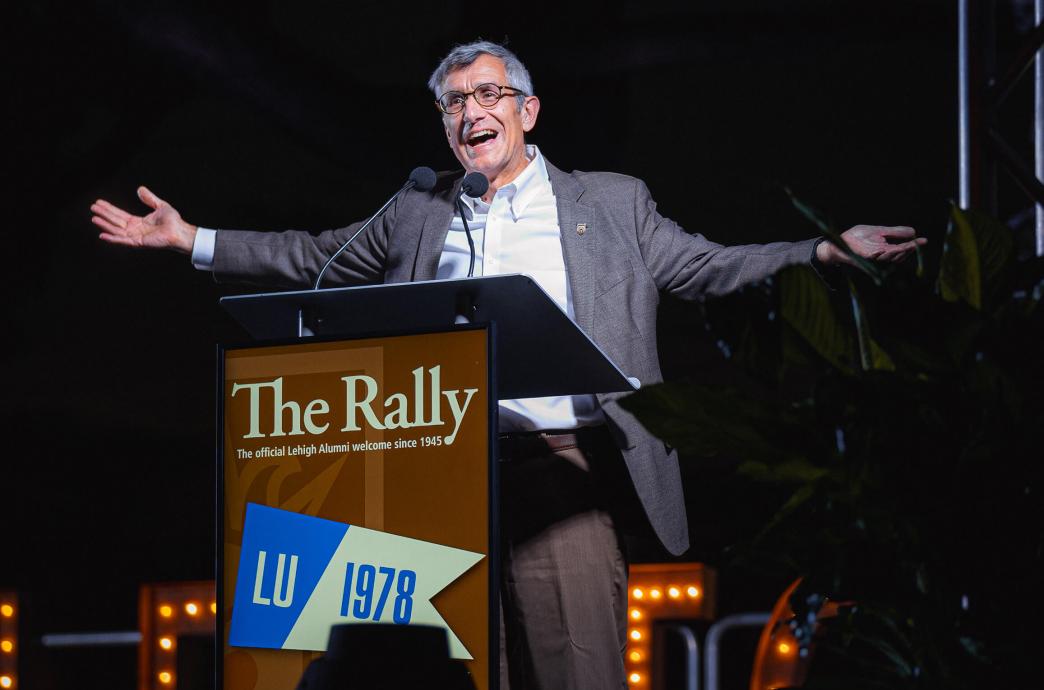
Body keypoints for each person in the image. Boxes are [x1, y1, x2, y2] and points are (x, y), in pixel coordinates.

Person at [91, 40, 923, 690]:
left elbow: (705, 267)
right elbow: (313, 254)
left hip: (560, 475)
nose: (467, 112)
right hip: (436, 477)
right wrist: (189, 240)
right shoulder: (416, 212)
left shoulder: (611, 201)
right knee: (457, 674)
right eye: (452, 103)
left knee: (574, 667)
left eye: (486, 94)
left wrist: (821, 250)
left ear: (527, 111)